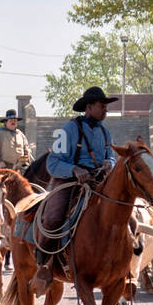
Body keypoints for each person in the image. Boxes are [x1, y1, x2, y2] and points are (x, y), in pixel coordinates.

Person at [34, 86, 119, 292]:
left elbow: (111, 156)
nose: (105, 109)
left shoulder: (105, 131)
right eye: (101, 105)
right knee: (53, 217)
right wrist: (74, 169)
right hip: (70, 182)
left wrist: (109, 163)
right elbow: (53, 163)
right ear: (89, 107)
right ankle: (43, 265)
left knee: (126, 215)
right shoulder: (68, 130)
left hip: (99, 182)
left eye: (106, 106)